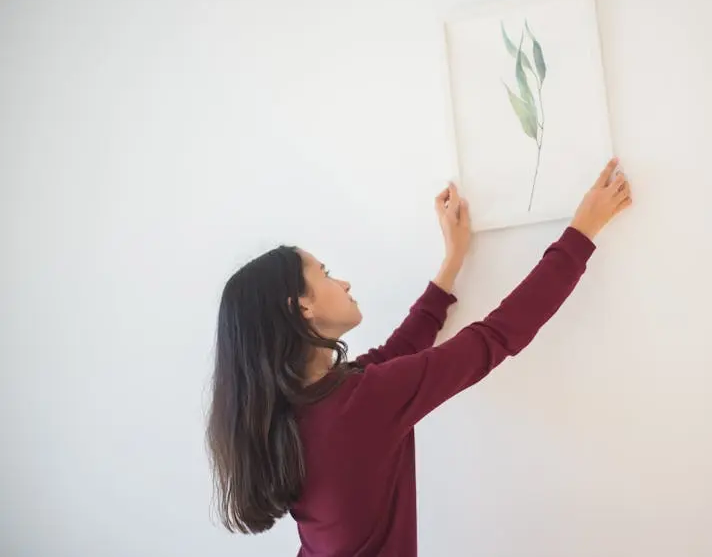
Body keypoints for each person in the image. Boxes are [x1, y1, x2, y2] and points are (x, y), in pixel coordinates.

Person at [207, 157, 632, 556]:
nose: (345, 282)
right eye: (326, 273)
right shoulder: (359, 404)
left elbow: (399, 352)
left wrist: (453, 260)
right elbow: (496, 336)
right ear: (302, 308)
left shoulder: (303, 406)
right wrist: (582, 232)